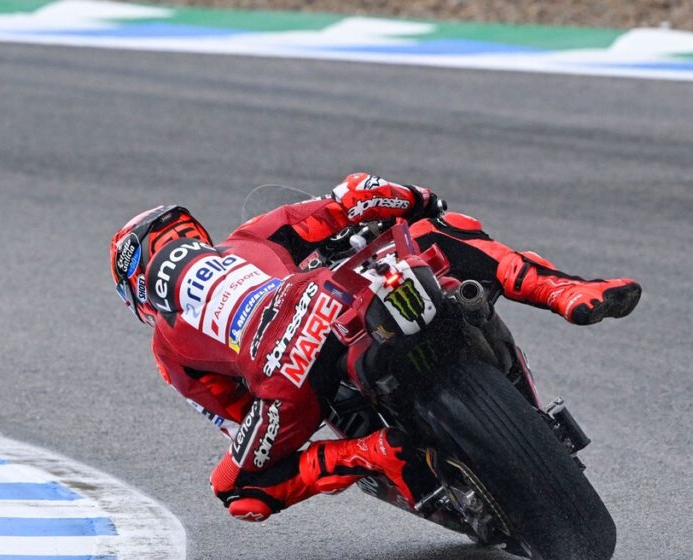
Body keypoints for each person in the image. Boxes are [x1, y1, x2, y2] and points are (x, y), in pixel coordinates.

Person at [110, 174, 640, 522]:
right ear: (194, 234)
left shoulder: (168, 350)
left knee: (235, 489)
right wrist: (421, 200)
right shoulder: (251, 238)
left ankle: (373, 453)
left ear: (137, 292)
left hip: (287, 374)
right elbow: (355, 195)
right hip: (331, 297)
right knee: (444, 229)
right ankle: (564, 290)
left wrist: (285, 401)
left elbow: (236, 419)